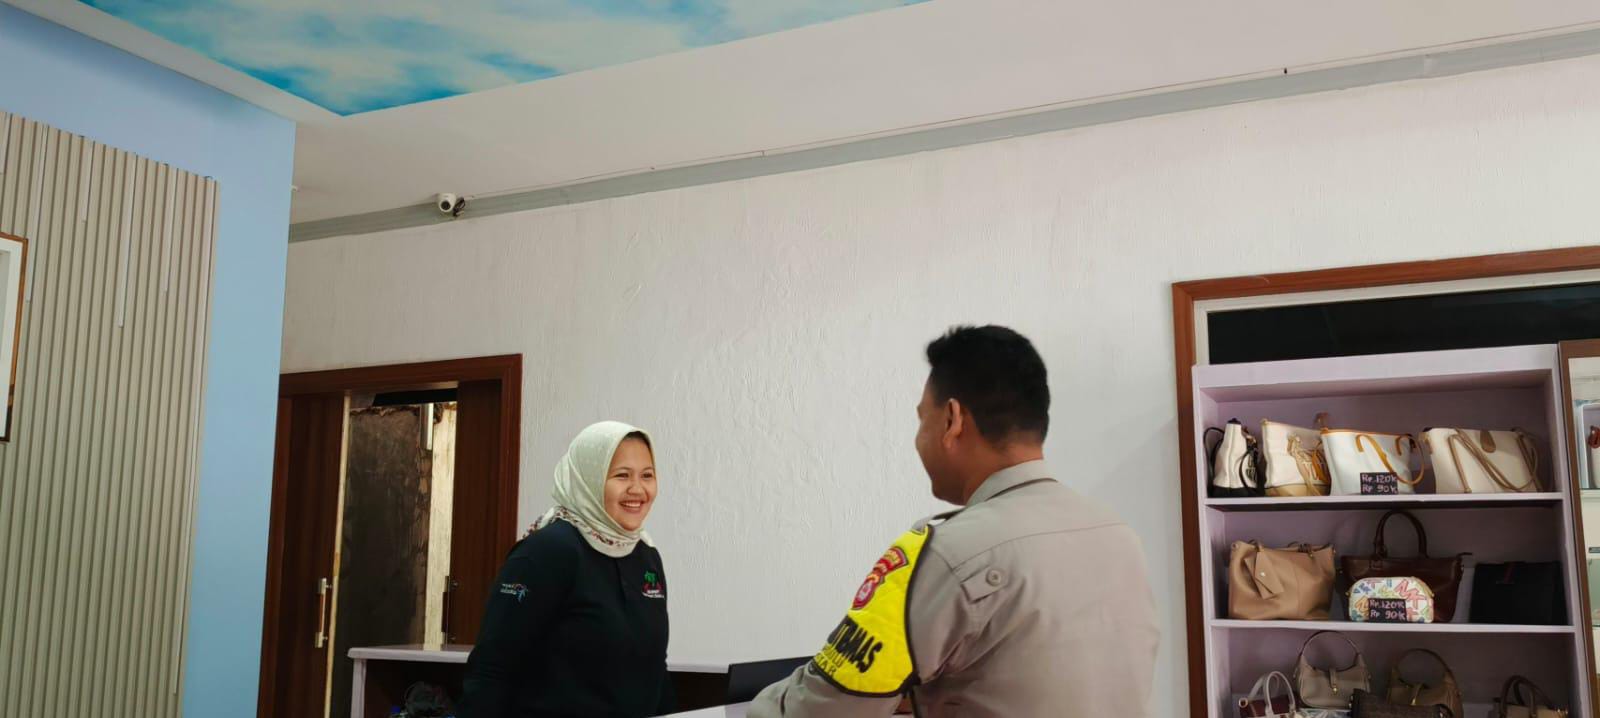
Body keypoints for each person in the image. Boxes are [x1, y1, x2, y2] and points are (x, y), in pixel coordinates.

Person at [750, 325, 1160, 717]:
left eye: (921, 419)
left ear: (952, 420)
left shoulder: (949, 553)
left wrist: (766, 699)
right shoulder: (1117, 535)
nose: (919, 439)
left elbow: (826, 710)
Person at [458, 421, 674, 718]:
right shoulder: (548, 551)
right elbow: (493, 668)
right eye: (621, 475)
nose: (638, 489)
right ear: (588, 479)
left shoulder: (646, 556)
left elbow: (655, 670)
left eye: (647, 475)